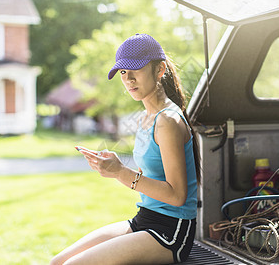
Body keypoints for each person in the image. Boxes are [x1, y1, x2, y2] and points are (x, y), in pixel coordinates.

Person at [50, 33, 201, 265]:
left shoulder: (167, 121)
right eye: (122, 72)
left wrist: (120, 172)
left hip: (171, 232)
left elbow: (177, 196)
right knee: (57, 263)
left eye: (136, 70)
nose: (128, 79)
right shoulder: (145, 118)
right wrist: (112, 166)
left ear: (159, 69)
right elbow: (150, 176)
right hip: (144, 219)